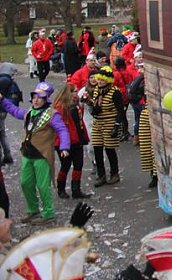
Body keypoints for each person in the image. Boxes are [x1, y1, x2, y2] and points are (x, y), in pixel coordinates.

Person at [0, 82, 70, 224]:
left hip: (42, 155)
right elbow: (14, 110)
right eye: (34, 97)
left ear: (46, 99)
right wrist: (2, 100)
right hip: (27, 154)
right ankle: (33, 210)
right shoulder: (30, 113)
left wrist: (64, 147)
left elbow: (62, 130)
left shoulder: (52, 115)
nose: (36, 100)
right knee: (25, 183)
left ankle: (48, 212)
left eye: (40, 97)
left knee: (43, 186)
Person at [83, 66, 123, 187]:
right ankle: (101, 175)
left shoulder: (114, 92)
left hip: (110, 123)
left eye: (103, 80)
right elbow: (95, 105)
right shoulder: (97, 90)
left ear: (108, 81)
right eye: (99, 79)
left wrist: (116, 125)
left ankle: (114, 173)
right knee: (97, 148)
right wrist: (87, 101)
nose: (100, 82)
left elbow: (120, 110)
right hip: (98, 123)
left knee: (110, 149)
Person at [52, 83, 91, 200]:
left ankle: (76, 190)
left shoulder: (76, 105)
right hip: (64, 142)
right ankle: (61, 189)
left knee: (78, 164)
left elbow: (79, 122)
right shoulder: (60, 107)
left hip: (77, 139)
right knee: (65, 165)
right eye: (74, 91)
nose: (76, 93)